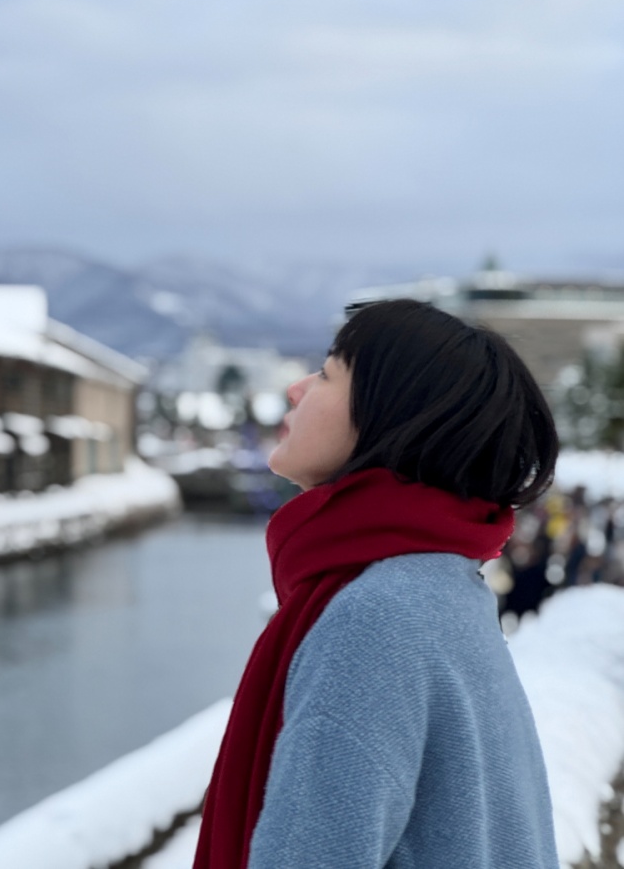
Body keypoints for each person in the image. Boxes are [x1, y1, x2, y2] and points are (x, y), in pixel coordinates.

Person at [193, 299, 560, 869]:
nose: (296, 388)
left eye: (327, 373)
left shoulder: (378, 618)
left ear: (390, 416)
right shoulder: (443, 586)